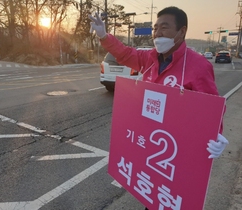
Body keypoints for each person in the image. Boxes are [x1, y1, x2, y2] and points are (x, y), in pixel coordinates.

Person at [89, 6, 229, 209]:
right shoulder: (149, 59)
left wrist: (217, 134)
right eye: (155, 28)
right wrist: (104, 36)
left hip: (175, 154)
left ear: (182, 31)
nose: (157, 33)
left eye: (164, 27)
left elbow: (212, 108)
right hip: (150, 149)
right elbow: (126, 54)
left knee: (170, 199)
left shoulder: (198, 66)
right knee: (151, 197)